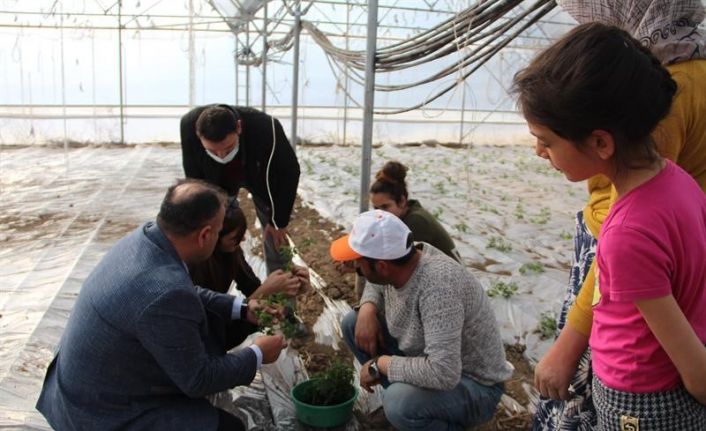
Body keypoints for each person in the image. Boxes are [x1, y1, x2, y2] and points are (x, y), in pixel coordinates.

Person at [513, 22, 706, 430]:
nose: (539, 152)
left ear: (601, 143)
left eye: (546, 140)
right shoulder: (678, 180)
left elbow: (694, 369)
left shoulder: (626, 234)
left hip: (641, 406)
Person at [36, 179, 287, 431]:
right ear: (205, 235)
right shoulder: (164, 292)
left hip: (79, 386)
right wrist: (257, 354)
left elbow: (186, 292)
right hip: (97, 413)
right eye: (220, 228)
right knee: (228, 427)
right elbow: (199, 379)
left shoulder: (146, 240)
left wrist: (242, 308)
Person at [332, 210, 512, 430]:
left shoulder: (438, 288)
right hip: (431, 360)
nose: (356, 268)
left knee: (399, 403)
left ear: (381, 267)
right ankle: (409, 412)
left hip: (474, 385)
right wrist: (368, 307)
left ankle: (418, 412)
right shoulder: (404, 255)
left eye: (359, 264)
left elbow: (443, 372)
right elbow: (377, 281)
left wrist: (380, 364)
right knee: (353, 322)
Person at [180, 104, 300, 274]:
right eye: (213, 151)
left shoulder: (266, 127)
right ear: (199, 136)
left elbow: (289, 172)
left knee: (275, 236)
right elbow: (193, 178)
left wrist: (278, 221)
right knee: (212, 233)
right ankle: (212, 289)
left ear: (239, 127)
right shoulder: (188, 125)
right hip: (217, 180)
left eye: (228, 148)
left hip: (258, 174)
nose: (222, 156)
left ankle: (281, 287)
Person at [188, 196, 308, 298]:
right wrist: (266, 291)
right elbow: (219, 314)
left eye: (242, 234)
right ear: (212, 236)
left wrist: (291, 287)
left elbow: (251, 288)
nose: (243, 239)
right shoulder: (193, 267)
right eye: (234, 238)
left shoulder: (232, 253)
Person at [370, 160, 462, 263]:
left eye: (385, 207)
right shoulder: (405, 214)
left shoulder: (417, 221)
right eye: (376, 208)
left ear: (402, 201)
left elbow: (397, 262)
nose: (380, 214)